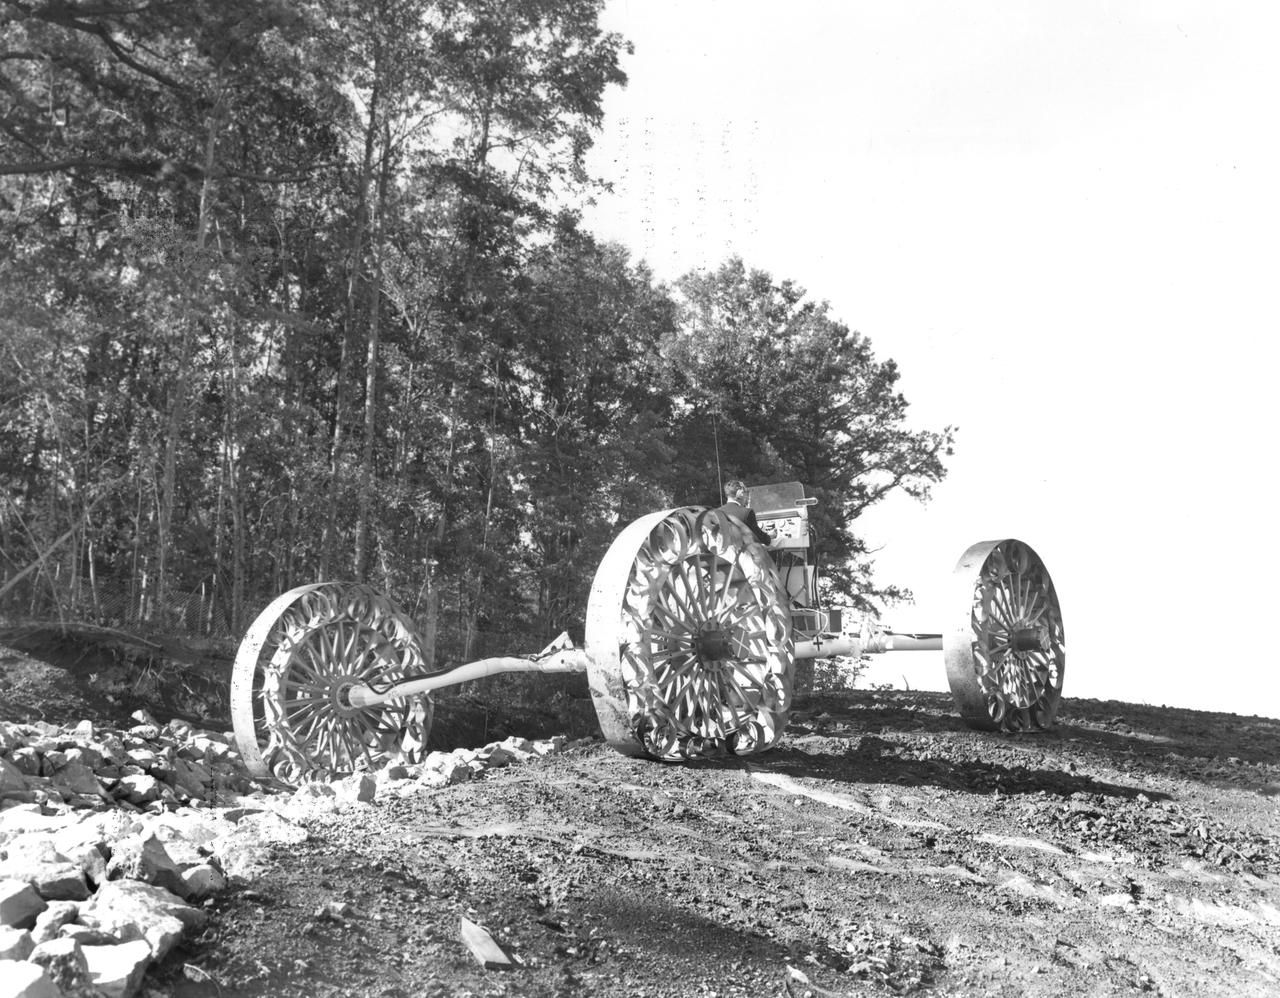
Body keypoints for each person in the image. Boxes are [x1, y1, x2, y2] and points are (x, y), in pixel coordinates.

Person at [717, 480, 773, 545]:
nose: (747, 497)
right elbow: (759, 538)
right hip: (745, 552)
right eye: (746, 493)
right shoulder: (747, 512)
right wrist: (770, 536)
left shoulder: (717, 513)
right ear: (740, 494)